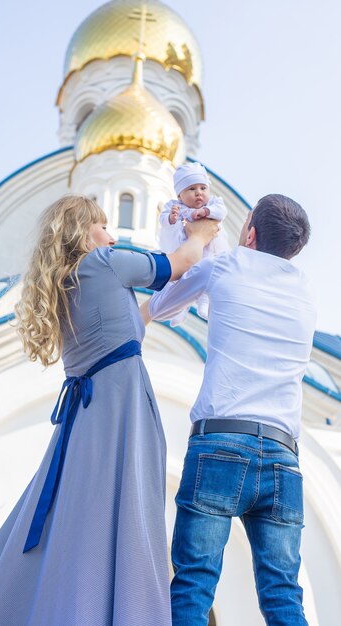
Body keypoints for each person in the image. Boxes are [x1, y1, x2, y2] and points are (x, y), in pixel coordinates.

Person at [0, 195, 219, 626]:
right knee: (122, 518)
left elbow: (133, 321)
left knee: (74, 519)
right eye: (102, 226)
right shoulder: (105, 261)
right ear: (82, 232)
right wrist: (201, 233)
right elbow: (177, 263)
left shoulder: (70, 283)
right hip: (119, 411)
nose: (111, 234)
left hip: (87, 419)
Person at [141, 194, 316, 626]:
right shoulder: (305, 294)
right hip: (282, 458)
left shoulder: (225, 267)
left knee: (193, 585)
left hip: (220, 443)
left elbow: (162, 306)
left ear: (251, 233)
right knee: (283, 596)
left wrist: (194, 238)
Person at [158, 161, 229, 325]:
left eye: (203, 188)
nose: (198, 193)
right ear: (179, 195)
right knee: (180, 279)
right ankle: (179, 309)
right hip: (185, 250)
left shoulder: (212, 203)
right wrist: (171, 218)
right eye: (191, 189)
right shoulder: (175, 206)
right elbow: (164, 218)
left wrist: (206, 211)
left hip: (209, 248)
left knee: (208, 272)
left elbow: (221, 211)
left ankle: (204, 303)